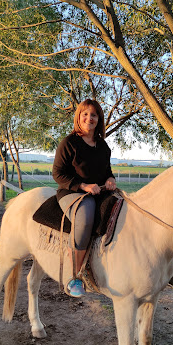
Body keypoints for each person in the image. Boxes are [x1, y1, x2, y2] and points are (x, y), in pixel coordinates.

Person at [52, 99, 116, 297]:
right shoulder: (69, 143)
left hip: (98, 191)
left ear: (99, 119)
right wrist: (83, 186)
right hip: (72, 193)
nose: (89, 118)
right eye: (85, 114)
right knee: (86, 215)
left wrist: (111, 179)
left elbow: (107, 171)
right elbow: (57, 173)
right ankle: (76, 275)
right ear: (79, 117)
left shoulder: (103, 146)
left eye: (94, 115)